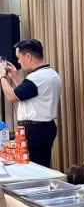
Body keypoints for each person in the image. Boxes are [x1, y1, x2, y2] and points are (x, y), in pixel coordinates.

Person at [0, 39, 62, 168]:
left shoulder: (37, 77)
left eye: (19, 58)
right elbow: (29, 93)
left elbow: (12, 96)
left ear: (28, 56)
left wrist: (2, 77)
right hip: (44, 127)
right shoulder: (50, 74)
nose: (18, 62)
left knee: (33, 167)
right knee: (39, 165)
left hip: (35, 129)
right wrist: (15, 77)